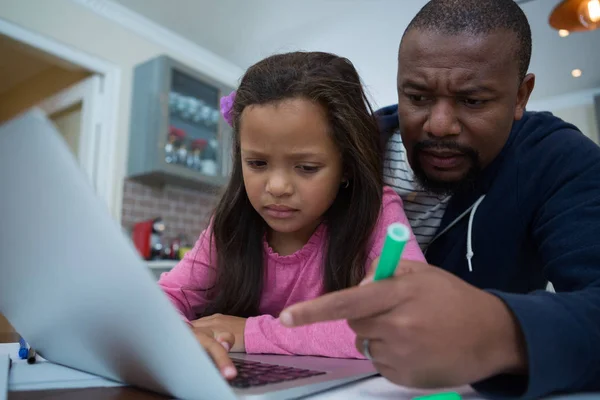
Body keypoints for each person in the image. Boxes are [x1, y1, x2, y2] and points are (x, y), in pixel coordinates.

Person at [278, 1, 600, 399]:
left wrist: (499, 332)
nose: (439, 125)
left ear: (521, 95)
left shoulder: (558, 160)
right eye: (417, 97)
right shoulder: (346, 154)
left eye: (473, 101)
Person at [158, 51, 425, 380]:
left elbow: (407, 319)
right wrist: (179, 334)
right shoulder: (230, 223)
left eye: (306, 167)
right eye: (257, 163)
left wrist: (252, 334)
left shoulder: (376, 213)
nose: (277, 186)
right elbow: (164, 298)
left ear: (346, 166)